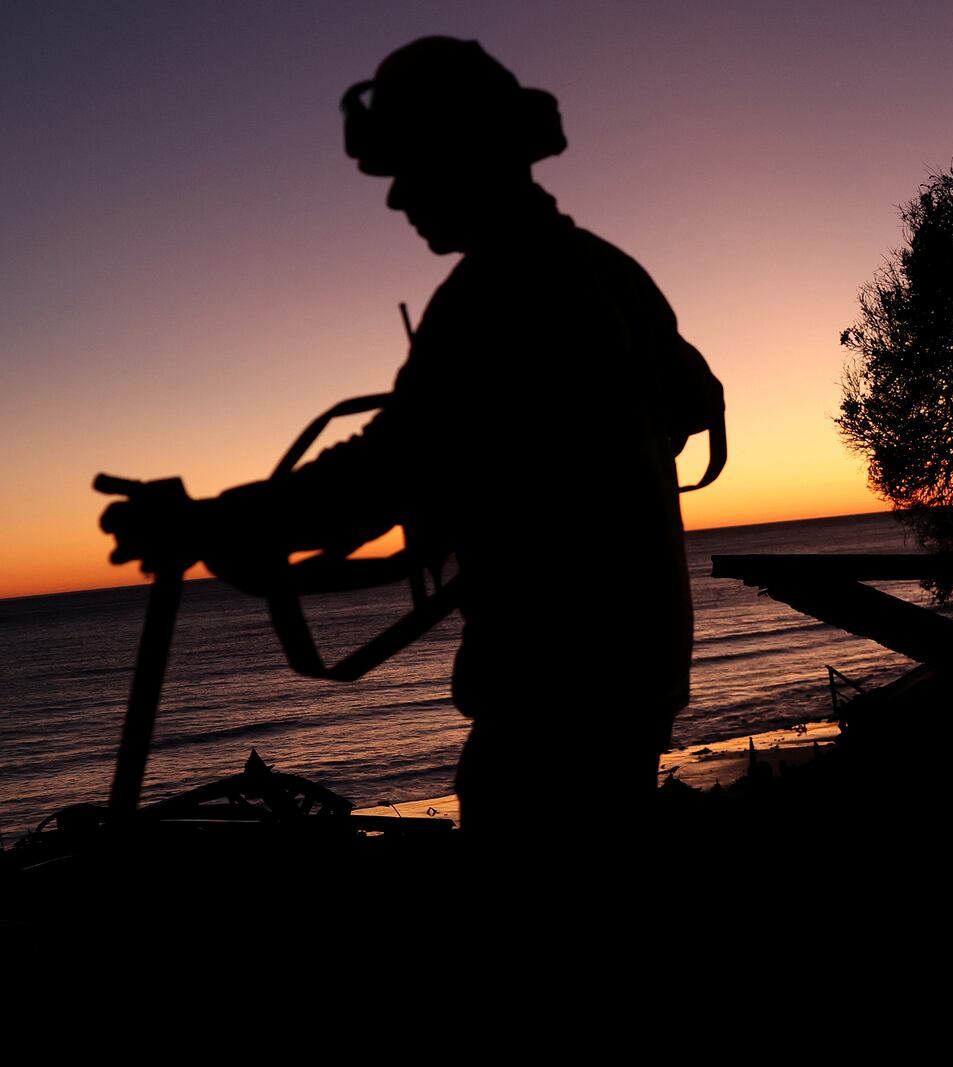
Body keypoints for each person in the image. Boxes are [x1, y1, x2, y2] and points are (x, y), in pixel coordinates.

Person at [100, 37, 722, 846]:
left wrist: (207, 523)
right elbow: (669, 417)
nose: (396, 199)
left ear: (463, 151)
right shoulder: (611, 271)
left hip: (554, 693)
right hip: (633, 668)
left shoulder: (499, 288)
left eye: (407, 167)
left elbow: (378, 475)